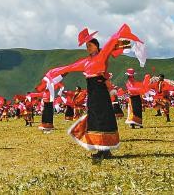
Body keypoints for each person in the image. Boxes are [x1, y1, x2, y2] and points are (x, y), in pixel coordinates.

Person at [40, 24, 144, 160]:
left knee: (104, 117)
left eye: (90, 45)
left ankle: (106, 150)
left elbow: (111, 41)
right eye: (86, 46)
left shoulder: (102, 55)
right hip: (92, 94)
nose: (88, 48)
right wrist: (52, 73)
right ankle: (100, 148)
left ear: (96, 45)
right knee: (94, 118)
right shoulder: (86, 62)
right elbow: (69, 67)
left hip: (101, 92)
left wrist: (120, 33)